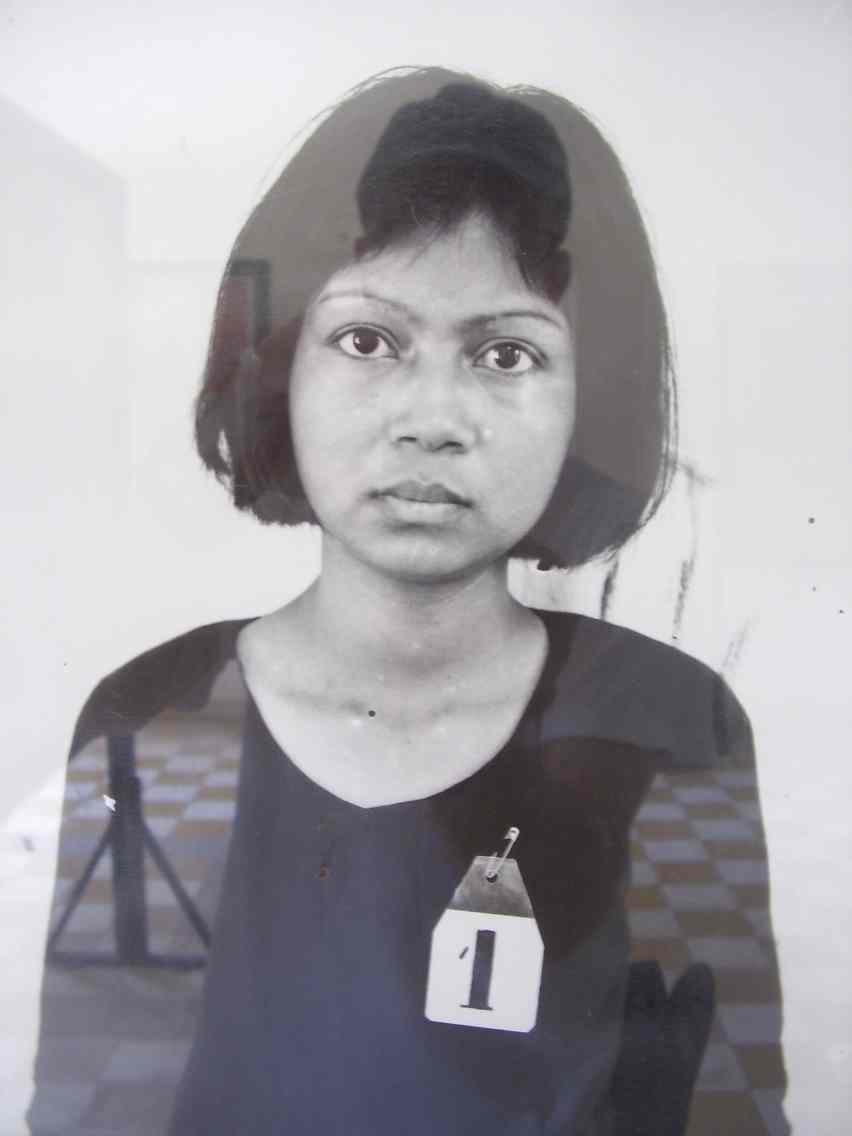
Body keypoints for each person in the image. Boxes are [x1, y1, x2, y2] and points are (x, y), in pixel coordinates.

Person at [28, 68, 786, 1136]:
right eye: (369, 340)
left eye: (506, 353)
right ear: (276, 368)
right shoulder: (151, 713)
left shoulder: (668, 723)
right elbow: (92, 1109)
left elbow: (722, 1113)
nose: (433, 419)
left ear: (589, 397)